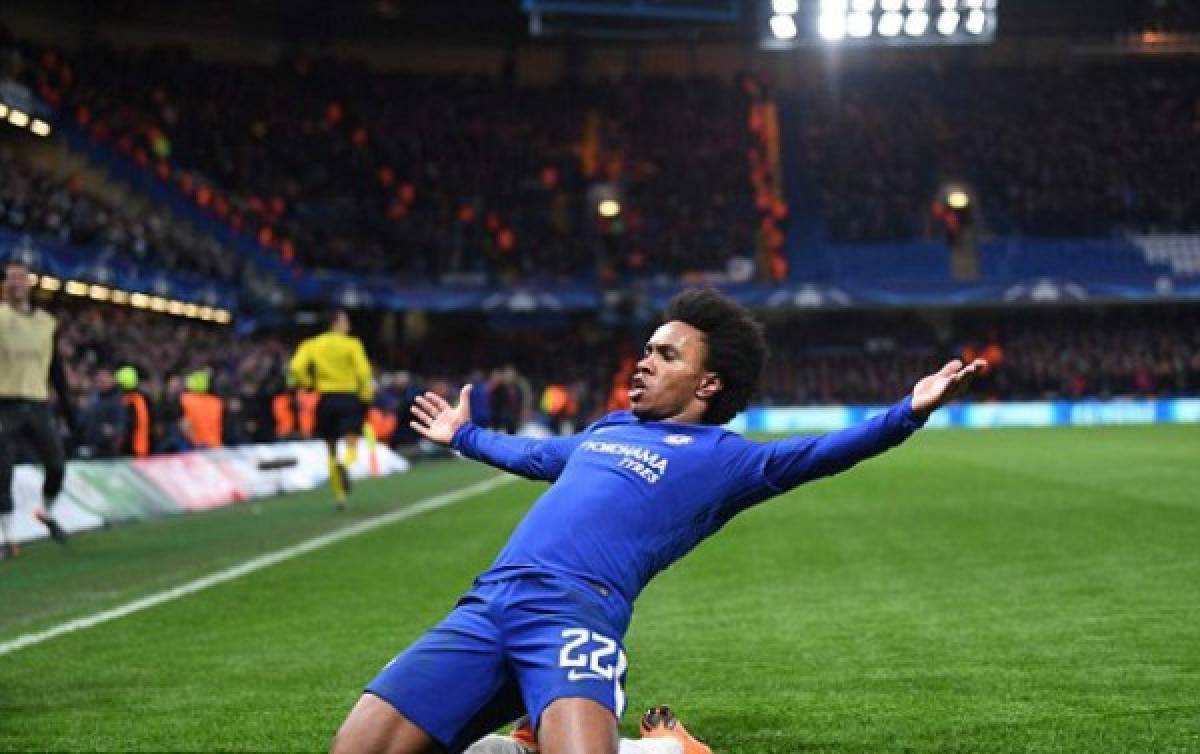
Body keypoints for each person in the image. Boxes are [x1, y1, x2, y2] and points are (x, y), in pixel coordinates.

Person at [331, 289, 986, 754]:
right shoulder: (608, 429)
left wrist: (908, 412)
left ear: (708, 384)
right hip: (488, 601)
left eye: (667, 355)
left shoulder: (721, 460)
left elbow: (816, 455)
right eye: (646, 349)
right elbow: (535, 455)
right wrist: (465, 435)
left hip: (574, 615)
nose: (643, 361)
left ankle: (668, 751)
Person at [0, 259, 76, 556]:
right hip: (5, 404)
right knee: (2, 471)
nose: (16, 283)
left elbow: (55, 367)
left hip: (37, 402)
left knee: (56, 464)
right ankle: (8, 538)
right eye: (11, 278)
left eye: (21, 277)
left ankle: (45, 511)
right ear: (6, 284)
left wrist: (69, 408)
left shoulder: (46, 323)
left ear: (30, 283)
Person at [289, 309, 373, 510]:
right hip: (349, 398)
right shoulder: (352, 344)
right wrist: (365, 398)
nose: (348, 324)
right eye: (345, 321)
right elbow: (364, 372)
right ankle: (346, 463)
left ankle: (339, 497)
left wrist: (308, 383)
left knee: (331, 449)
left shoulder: (312, 344)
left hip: (325, 400)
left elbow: (295, 368)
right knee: (352, 444)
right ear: (335, 323)